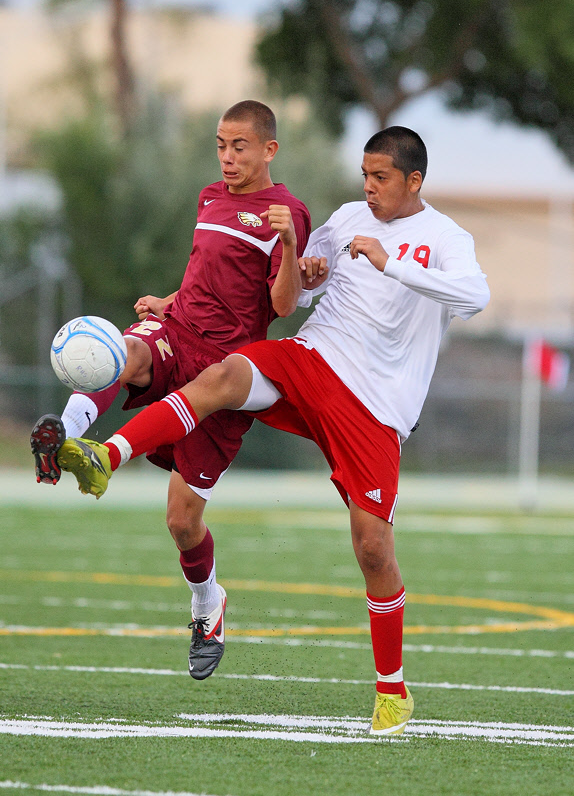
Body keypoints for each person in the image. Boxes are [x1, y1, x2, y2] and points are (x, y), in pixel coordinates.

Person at [51, 126, 490, 736]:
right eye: (365, 175)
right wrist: (310, 270)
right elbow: (296, 295)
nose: (369, 188)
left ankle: (392, 688)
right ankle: (106, 453)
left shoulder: (445, 237)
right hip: (312, 360)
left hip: (375, 408)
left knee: (372, 549)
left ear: (414, 181)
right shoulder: (342, 219)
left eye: (382, 178)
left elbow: (474, 295)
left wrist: (392, 265)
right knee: (228, 374)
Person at [30, 99, 312, 681]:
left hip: (227, 366)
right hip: (178, 332)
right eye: (220, 145)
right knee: (124, 351)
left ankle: (209, 603)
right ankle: (67, 441)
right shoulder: (209, 197)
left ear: (269, 149)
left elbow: (281, 307)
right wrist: (169, 302)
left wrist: (288, 247)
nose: (228, 157)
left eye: (239, 146)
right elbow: (202, 276)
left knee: (182, 521)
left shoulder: (286, 212)